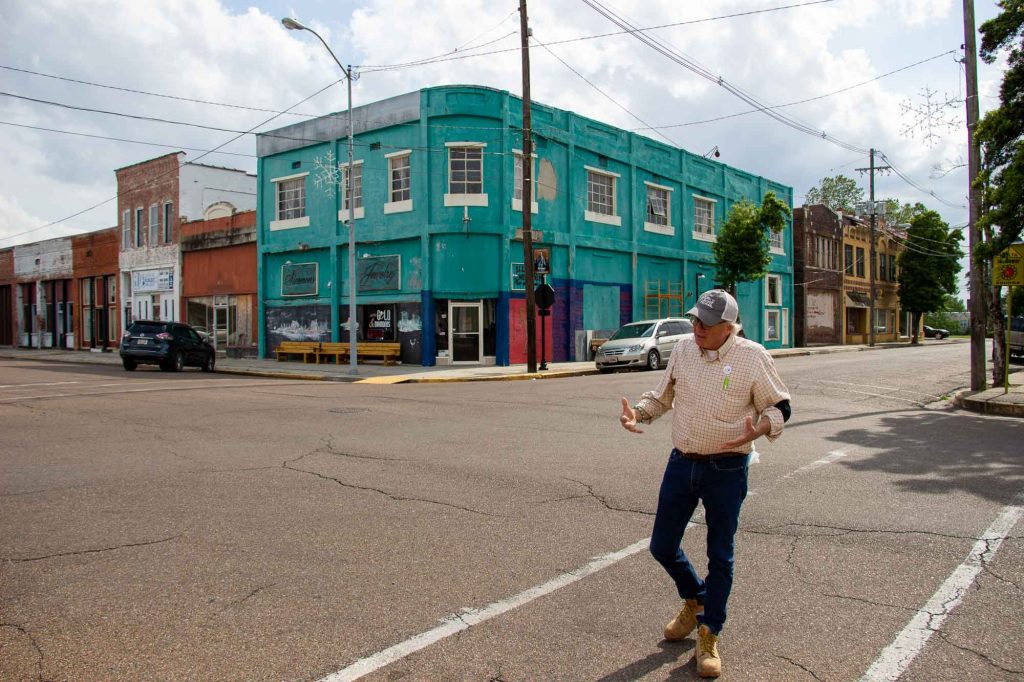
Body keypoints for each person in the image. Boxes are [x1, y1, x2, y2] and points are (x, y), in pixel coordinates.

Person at [619, 289, 791, 678]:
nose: (696, 327)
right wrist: (640, 416)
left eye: (706, 324)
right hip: (682, 463)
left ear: (729, 327)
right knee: (661, 545)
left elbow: (779, 406)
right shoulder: (682, 349)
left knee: (721, 555)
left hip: (727, 469)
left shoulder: (752, 356)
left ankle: (710, 631)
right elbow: (662, 398)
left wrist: (760, 428)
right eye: (695, 319)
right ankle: (696, 599)